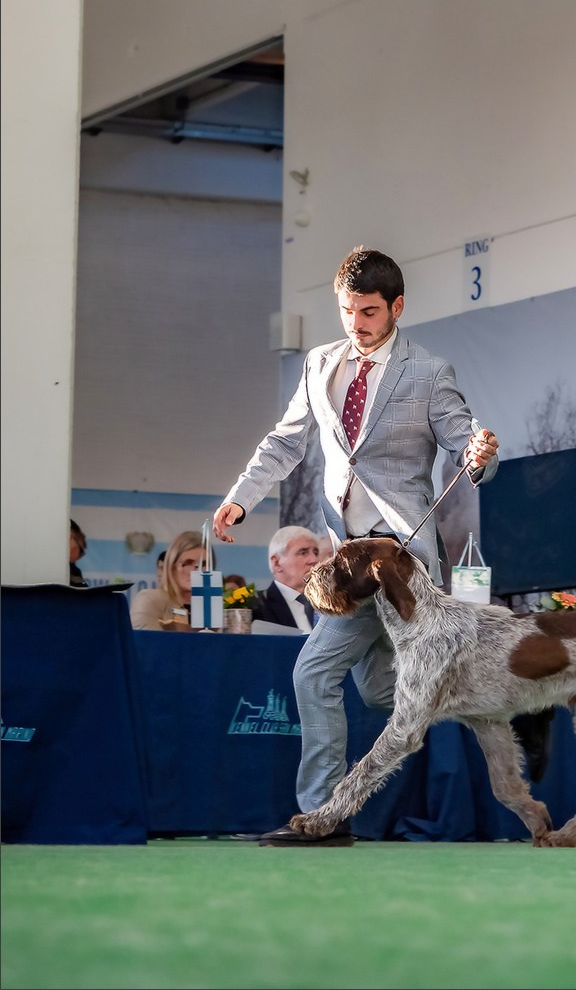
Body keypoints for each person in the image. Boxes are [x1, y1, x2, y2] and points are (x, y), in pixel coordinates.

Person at [212, 246, 553, 847]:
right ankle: (511, 703)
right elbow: (285, 440)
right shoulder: (320, 364)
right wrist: (242, 496)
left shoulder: (427, 371)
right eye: (346, 310)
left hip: (401, 563)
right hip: (347, 560)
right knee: (378, 692)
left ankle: (322, 817)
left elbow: (461, 436)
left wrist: (479, 454)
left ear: (397, 306)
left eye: (368, 311)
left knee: (313, 672)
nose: (356, 323)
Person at [130, 530, 213, 631]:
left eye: (204, 564)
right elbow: (145, 644)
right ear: (171, 566)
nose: (197, 570)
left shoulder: (213, 608)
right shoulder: (149, 600)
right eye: (188, 563)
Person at [252, 526, 324, 632]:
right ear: (277, 563)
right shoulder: (255, 606)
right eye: (303, 552)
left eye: (316, 553)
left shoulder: (328, 606)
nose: (314, 560)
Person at [69, 519, 88, 588]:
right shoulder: (73, 573)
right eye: (81, 550)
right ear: (70, 538)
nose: (81, 556)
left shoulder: (75, 572)